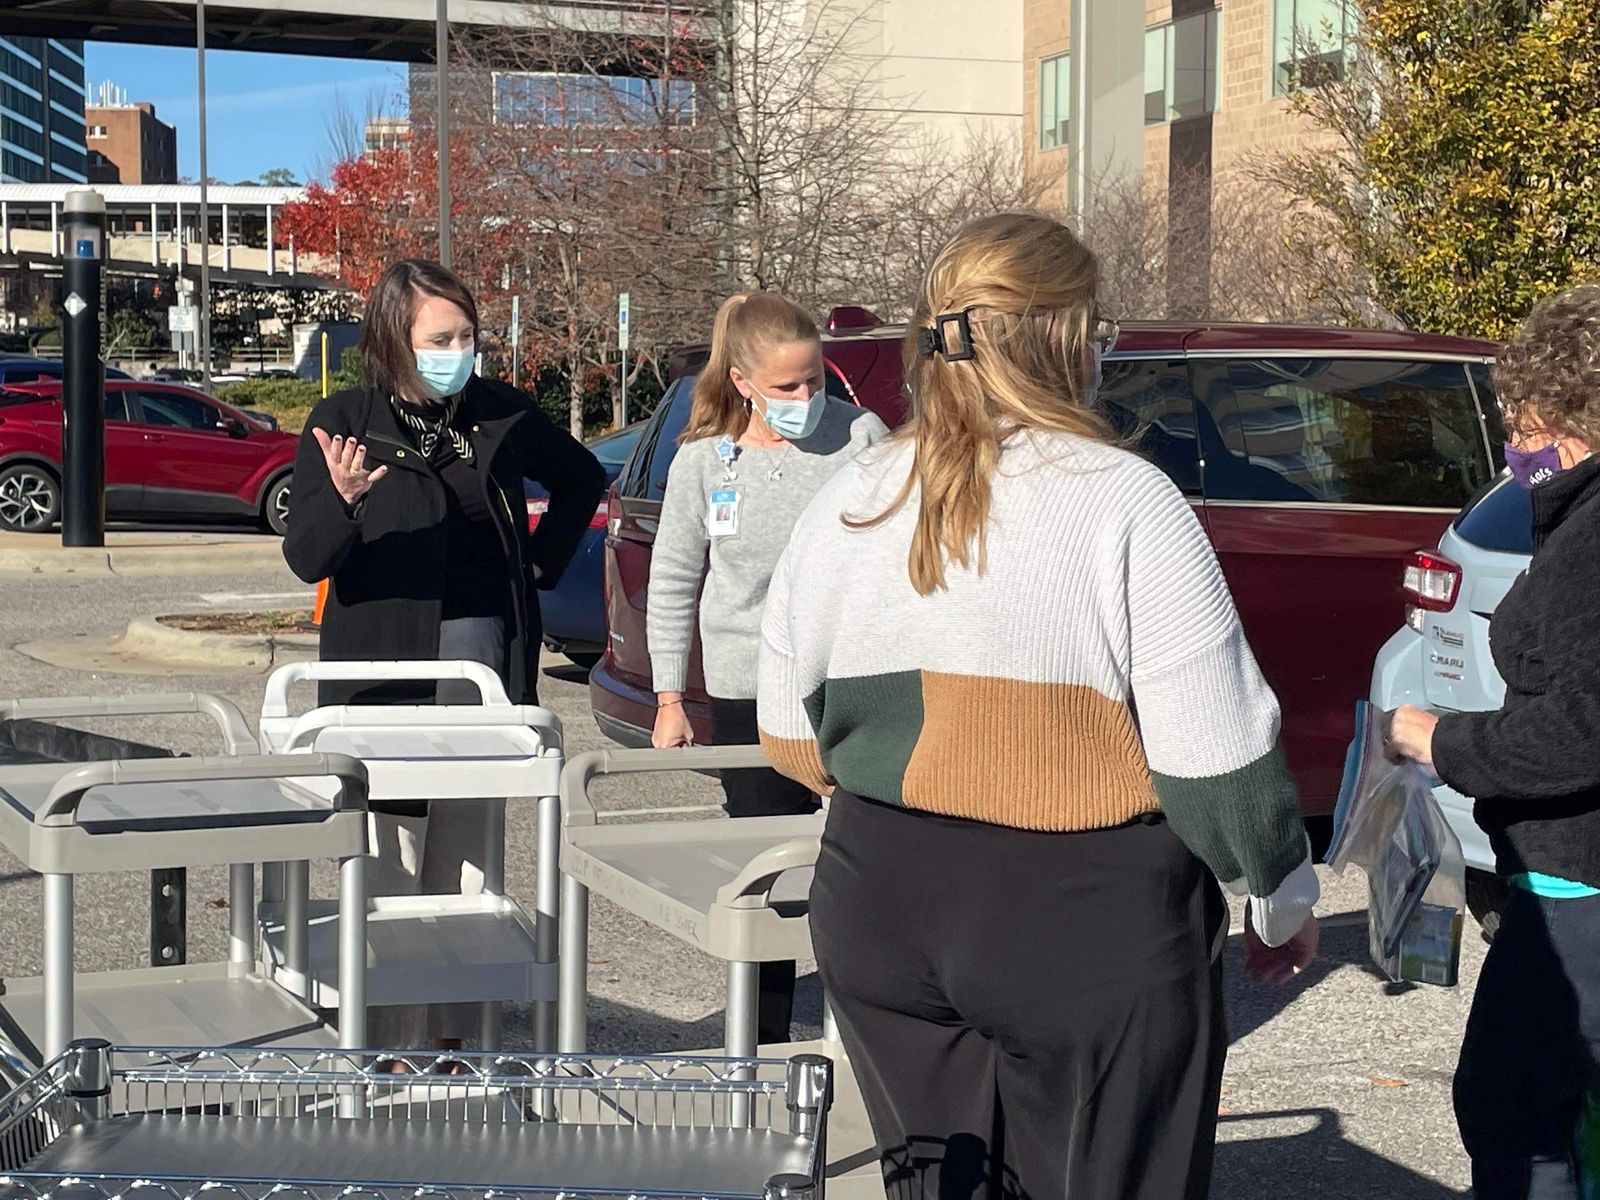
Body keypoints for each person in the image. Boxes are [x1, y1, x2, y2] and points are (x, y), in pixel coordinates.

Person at [756, 213, 1319, 1200]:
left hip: (879, 891)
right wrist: (1279, 898)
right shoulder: (1125, 498)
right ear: (1065, 338)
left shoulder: (851, 495)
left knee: (939, 1184)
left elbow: (788, 733)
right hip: (1083, 908)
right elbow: (1216, 763)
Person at [283, 258, 607, 1053]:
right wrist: (345, 503)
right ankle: (389, 1043)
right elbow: (307, 556)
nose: (458, 352)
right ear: (394, 338)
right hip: (380, 661)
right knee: (391, 854)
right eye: (441, 339)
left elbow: (579, 477)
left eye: (467, 336)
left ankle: (458, 1041)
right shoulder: (345, 420)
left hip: (478, 654)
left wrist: (536, 566)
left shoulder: (497, 412)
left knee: (465, 852)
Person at [1388, 284, 1600, 1200]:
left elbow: (1584, 727)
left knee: (1515, 1107)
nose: (1512, 436)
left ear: (1565, 408)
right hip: (1563, 873)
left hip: (1580, 883)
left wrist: (1446, 741)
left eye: (1522, 412)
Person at [648, 290, 888, 1044]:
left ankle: (867, 1037)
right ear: (743, 381)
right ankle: (762, 1042)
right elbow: (674, 577)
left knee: (864, 866)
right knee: (766, 870)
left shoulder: (863, 438)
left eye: (814, 380)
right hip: (747, 687)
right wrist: (668, 697)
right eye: (786, 385)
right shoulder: (702, 461)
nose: (805, 397)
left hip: (847, 684)